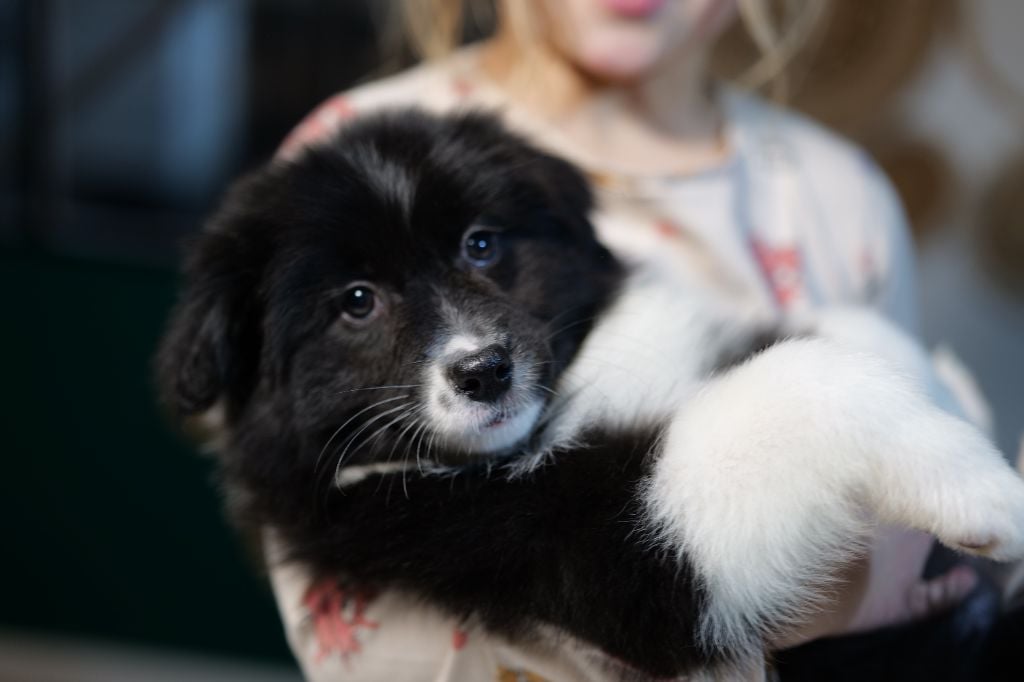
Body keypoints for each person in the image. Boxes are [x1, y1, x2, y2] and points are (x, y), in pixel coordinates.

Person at [268, 1, 985, 679]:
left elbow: (936, 507)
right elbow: (368, 643)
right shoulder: (346, 158)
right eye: (362, 302)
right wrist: (822, 613)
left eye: (484, 247)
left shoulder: (839, 199)